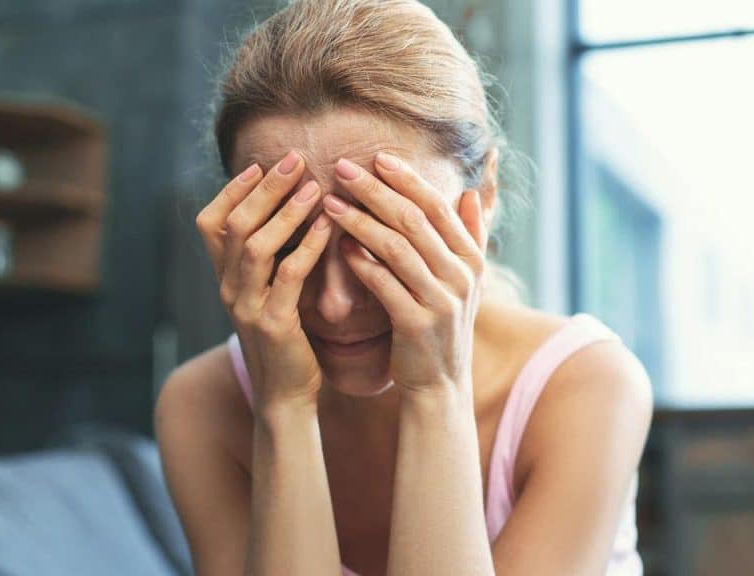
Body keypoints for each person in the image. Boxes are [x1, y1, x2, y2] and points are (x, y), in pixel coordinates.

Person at [154, 1, 653, 574]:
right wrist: (284, 409)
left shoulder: (585, 387)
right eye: (291, 242)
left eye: (385, 236)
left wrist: (436, 389)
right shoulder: (201, 408)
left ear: (483, 198)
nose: (335, 305)